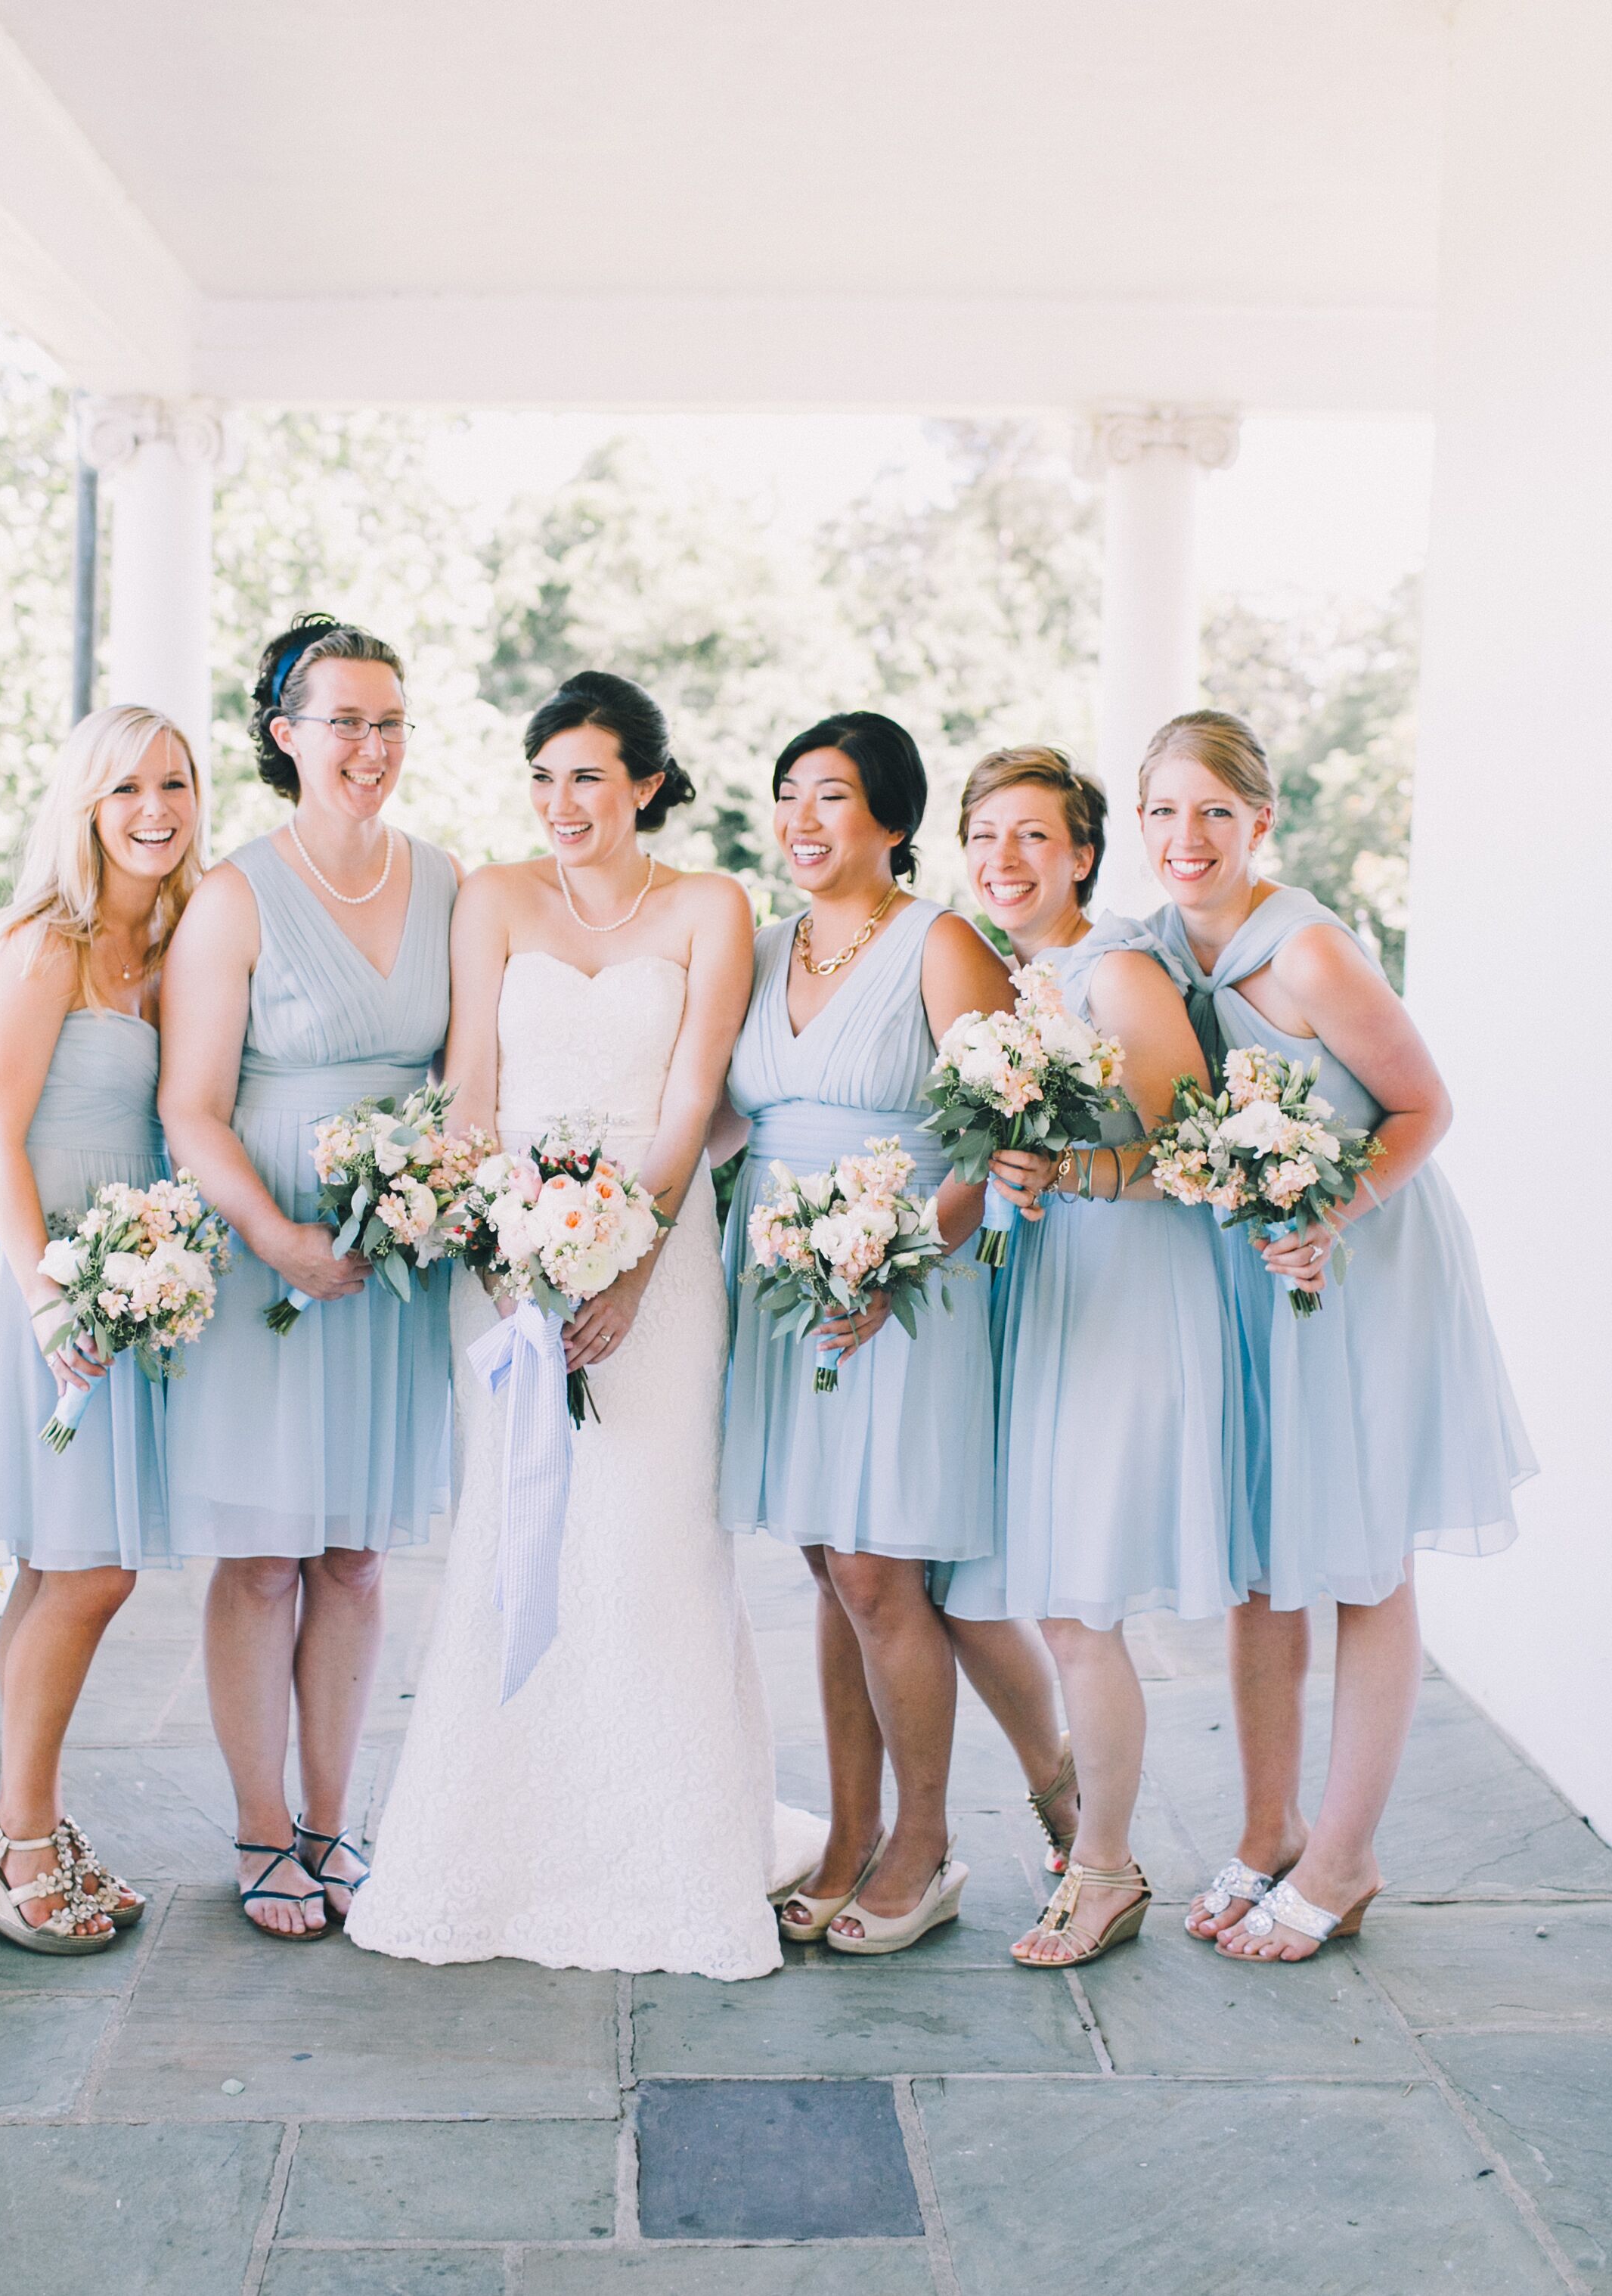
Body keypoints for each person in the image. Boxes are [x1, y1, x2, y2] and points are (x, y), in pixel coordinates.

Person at [346, 671, 824, 1979]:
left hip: (662, 1268)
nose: (563, 804)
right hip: (506, 1262)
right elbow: (471, 1090)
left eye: (590, 779)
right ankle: (494, 1846)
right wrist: (503, 1257)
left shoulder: (712, 907)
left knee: (653, 1538)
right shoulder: (492, 898)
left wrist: (628, 1265)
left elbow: (688, 1100)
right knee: (521, 1532)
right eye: (545, 777)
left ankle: (670, 1849)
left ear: (649, 785)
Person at [1143, 709, 1535, 1962]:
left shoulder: (1306, 954)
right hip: (1259, 1283)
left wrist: (1332, 1210)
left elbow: (1424, 1105)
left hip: (1362, 1270)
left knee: (1364, 1564)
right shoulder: (1154, 948)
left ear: (1261, 820)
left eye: (1213, 811)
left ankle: (1347, 1855)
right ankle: (1269, 1829)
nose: (1184, 837)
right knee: (1264, 1560)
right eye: (1161, 810)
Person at [160, 615, 459, 1939]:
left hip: (399, 1256)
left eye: (389, 721)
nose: (370, 747)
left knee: (352, 1559)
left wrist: (440, 1198)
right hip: (266, 1250)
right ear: (285, 734)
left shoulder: (447, 880)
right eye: (343, 720)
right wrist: (277, 1238)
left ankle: (337, 1819)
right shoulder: (234, 893)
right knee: (266, 1559)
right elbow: (190, 1106)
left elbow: (474, 1070)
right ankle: (261, 1827)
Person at [932, 746, 1243, 1969]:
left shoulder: (1112, 970)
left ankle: (1105, 1866)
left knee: (1076, 1602)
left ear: (1078, 856)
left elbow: (1189, 1152)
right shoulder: (1011, 980)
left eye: (1031, 838)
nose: (1003, 860)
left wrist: (1071, 1170)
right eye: (984, 836)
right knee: (1016, 1589)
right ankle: (1078, 1818)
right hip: (1041, 1292)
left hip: (1124, 1299)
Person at [0, 704, 204, 1953]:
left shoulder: (181, 941)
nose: (154, 809)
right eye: (127, 787)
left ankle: (16, 1827)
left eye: (176, 784)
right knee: (89, 1566)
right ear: (85, 806)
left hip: (125, 1275)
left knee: (65, 1560)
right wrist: (43, 1296)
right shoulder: (47, 943)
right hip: (42, 1270)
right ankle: (21, 1840)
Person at [717, 712, 1006, 1956]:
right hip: (783, 1281)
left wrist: (898, 1260)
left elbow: (1002, 1136)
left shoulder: (941, 944)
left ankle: (926, 1844)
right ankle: (845, 1836)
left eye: (828, 797)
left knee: (883, 1572)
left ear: (889, 816)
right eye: (786, 795)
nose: (799, 821)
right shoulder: (762, 942)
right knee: (826, 1571)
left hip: (903, 1282)